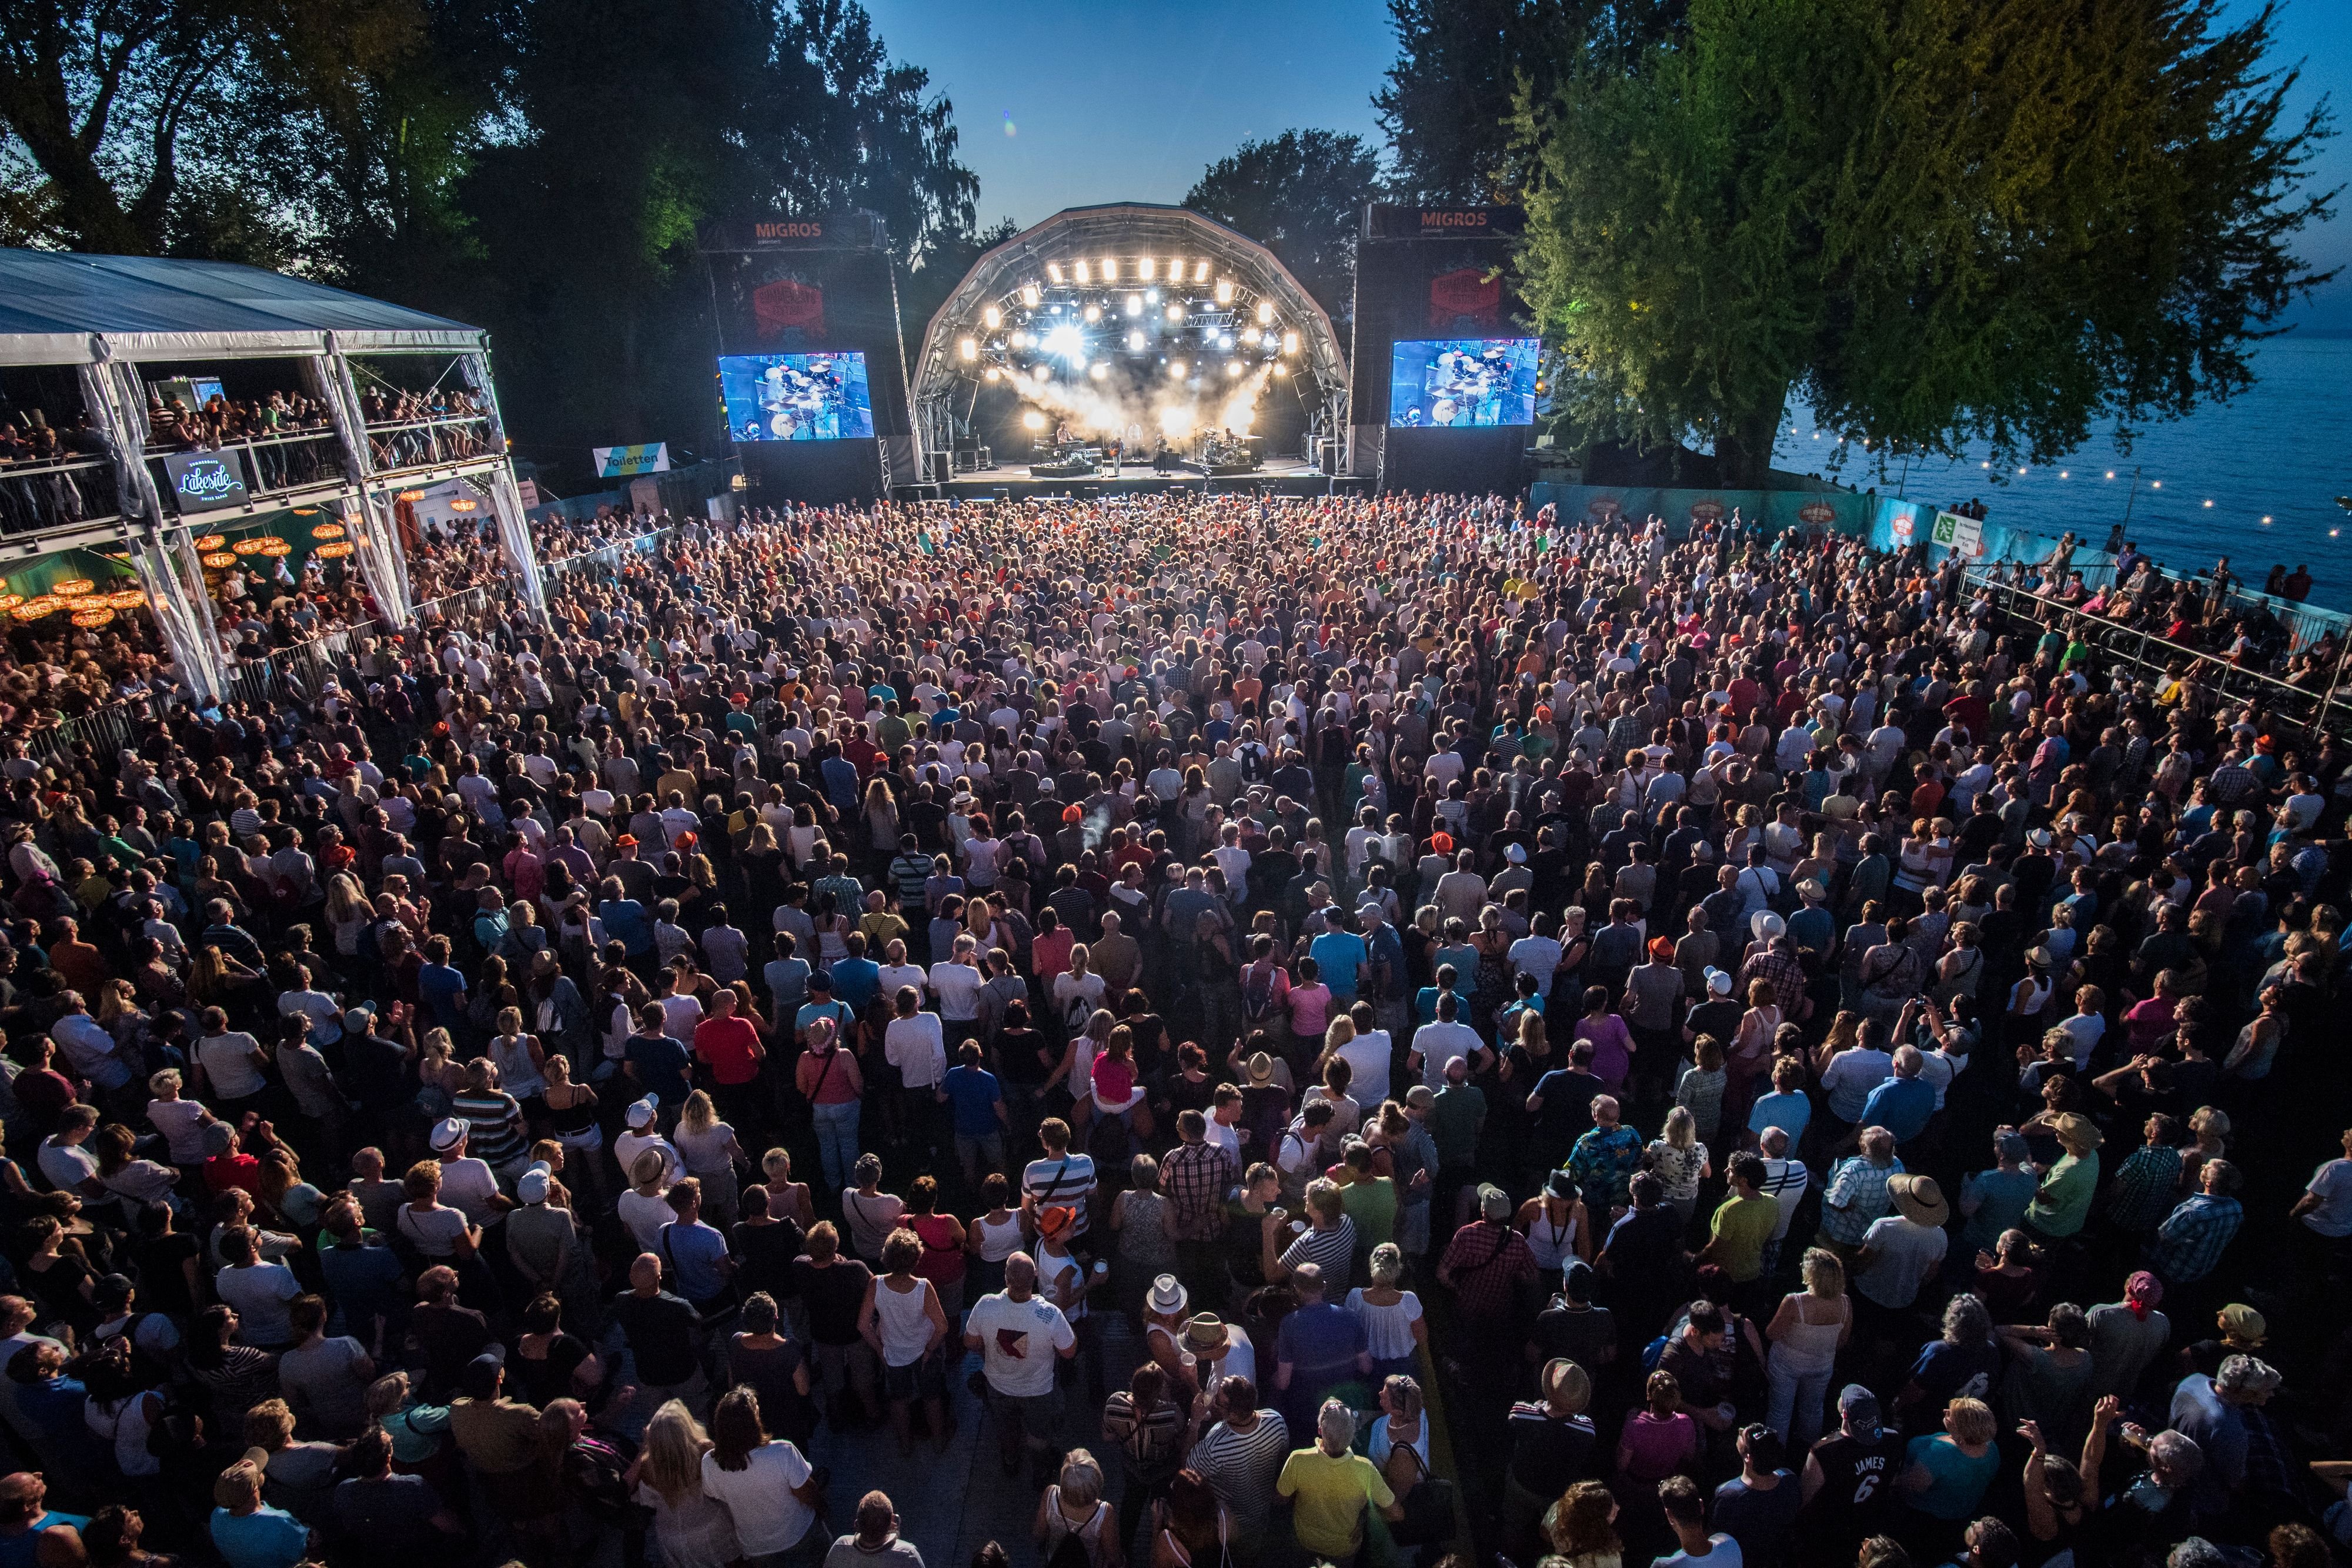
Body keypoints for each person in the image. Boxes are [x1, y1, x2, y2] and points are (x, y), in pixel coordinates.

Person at [965, 1252, 1077, 1476]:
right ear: (1034, 1278)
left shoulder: (985, 1305)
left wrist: (989, 1352)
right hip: (1039, 1391)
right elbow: (1069, 1351)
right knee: (1038, 1434)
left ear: (1006, 1278)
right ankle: (1040, 1472)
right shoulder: (1049, 1314)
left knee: (1006, 1428)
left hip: (998, 1386)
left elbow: (970, 1342)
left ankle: (1010, 1462)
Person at [699, 1385, 825, 1568]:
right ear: (753, 1422)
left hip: (757, 1548)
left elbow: (715, 1498)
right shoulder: (782, 1452)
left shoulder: (709, 1464)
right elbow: (808, 1493)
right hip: (799, 1537)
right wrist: (824, 1509)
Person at [1275, 1399, 1402, 1567]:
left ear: (1320, 1430)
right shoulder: (1366, 1470)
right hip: (1344, 1549)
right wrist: (1364, 1518)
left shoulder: (1297, 1460)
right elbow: (1397, 1514)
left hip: (1305, 1540)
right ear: (1353, 1435)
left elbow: (1281, 1499)